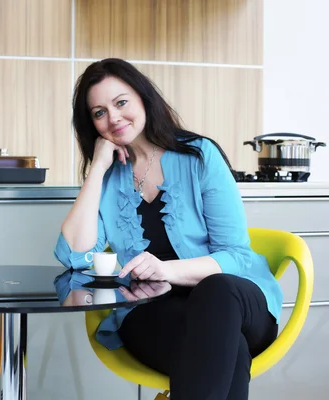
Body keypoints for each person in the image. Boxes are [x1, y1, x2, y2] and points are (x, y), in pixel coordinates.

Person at [53, 58, 283, 400]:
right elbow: (73, 254)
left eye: (121, 102)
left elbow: (236, 256)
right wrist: (97, 169)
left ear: (144, 98)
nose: (113, 117)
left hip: (235, 300)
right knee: (227, 348)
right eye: (99, 112)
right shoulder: (110, 178)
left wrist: (166, 269)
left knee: (217, 292)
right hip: (155, 312)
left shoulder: (199, 156)